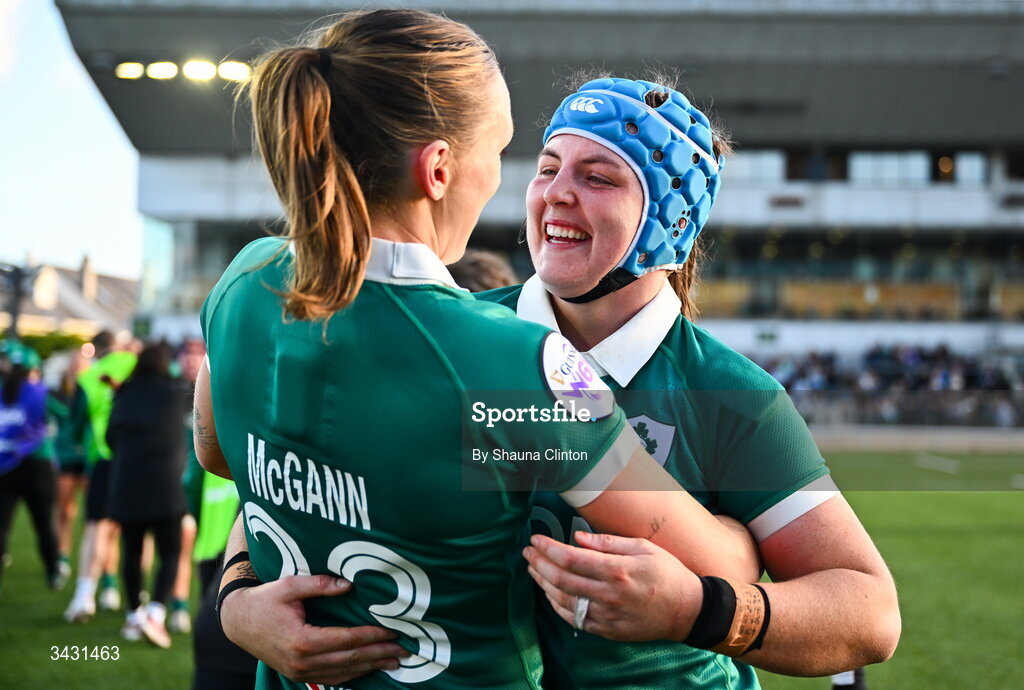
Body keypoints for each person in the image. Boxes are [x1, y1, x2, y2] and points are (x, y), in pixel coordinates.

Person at [226, 75, 900, 688]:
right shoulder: (450, 337)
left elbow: (869, 615)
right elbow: (290, 473)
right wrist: (238, 599)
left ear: (669, 220)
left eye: (599, 176)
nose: (556, 193)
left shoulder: (728, 394)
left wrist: (701, 610)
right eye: (547, 168)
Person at [106, 342, 190, 648]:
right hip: (166, 486)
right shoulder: (175, 392)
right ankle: (156, 612)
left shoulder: (124, 393)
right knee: (170, 552)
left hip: (127, 484)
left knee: (132, 551)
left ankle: (133, 615)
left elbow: (110, 436)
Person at [65, 330, 137, 622]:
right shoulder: (135, 363)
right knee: (132, 531)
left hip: (104, 459)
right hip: (136, 459)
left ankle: (86, 595)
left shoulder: (87, 379)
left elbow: (75, 427)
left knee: (97, 527)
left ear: (95, 350)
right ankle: (122, 593)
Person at [0, 341, 61, 592]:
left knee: (2, 526)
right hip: (38, 465)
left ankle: (53, 570)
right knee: (44, 524)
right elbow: (66, 415)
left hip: (6, 466)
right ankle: (54, 572)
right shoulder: (41, 391)